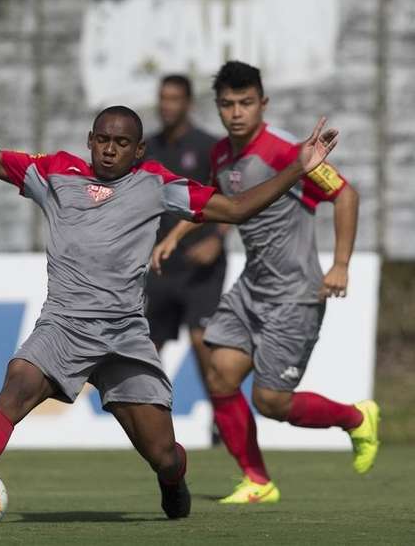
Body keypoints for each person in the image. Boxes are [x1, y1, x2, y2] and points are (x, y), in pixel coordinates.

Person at [0, 61, 340, 520]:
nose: (108, 150)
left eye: (121, 143)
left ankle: (173, 479)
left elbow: (238, 209)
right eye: (102, 140)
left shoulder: (155, 184)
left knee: (161, 453)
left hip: (125, 335)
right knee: (16, 387)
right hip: (62, 325)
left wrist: (298, 170)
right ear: (90, 140)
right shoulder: (56, 172)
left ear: (138, 149)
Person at [154, 60, 378, 505]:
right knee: (219, 374)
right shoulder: (221, 154)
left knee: (272, 402)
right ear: (217, 107)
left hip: (296, 294)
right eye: (227, 104)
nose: (236, 112)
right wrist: (177, 234)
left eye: (246, 103)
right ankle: (257, 479)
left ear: (263, 104)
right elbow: (216, 200)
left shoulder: (284, 154)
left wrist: (341, 264)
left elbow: (346, 194)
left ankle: (355, 418)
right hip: (252, 287)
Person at [142, 74, 225, 401]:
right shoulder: (147, 148)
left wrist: (217, 238)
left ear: (188, 103)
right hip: (162, 262)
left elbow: (231, 197)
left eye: (174, 98)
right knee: (146, 347)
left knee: (202, 341)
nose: (167, 105)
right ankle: (145, 418)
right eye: (163, 98)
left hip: (200, 264)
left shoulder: (208, 147)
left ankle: (221, 419)